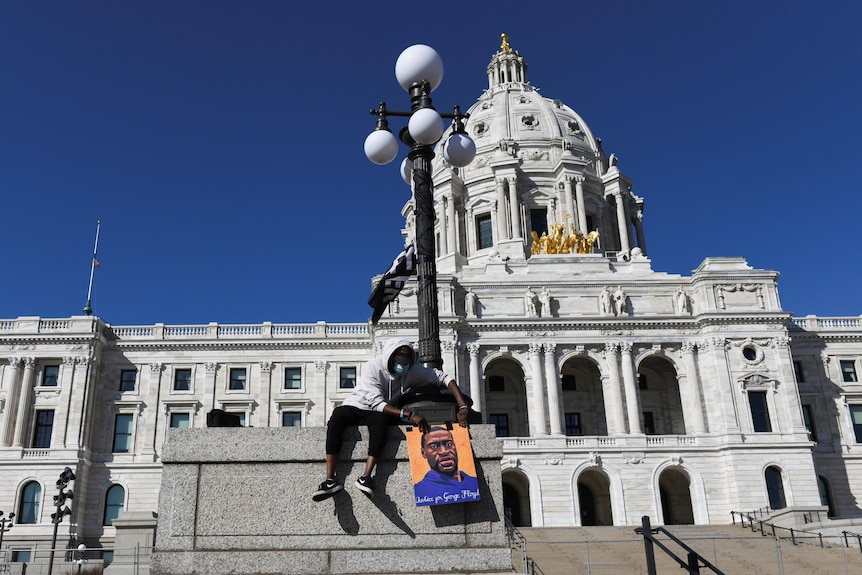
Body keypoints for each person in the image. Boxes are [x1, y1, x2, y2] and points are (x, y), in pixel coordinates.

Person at [312, 338, 470, 501]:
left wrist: (462, 406)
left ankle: (366, 477)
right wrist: (407, 414)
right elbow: (376, 403)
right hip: (357, 404)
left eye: (406, 364)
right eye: (400, 363)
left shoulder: (411, 370)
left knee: (381, 423)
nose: (403, 367)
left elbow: (444, 378)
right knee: (337, 418)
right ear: (390, 357)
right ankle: (330, 480)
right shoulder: (372, 367)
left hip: (379, 411)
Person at [413, 426, 480, 506]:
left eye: (448, 444)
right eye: (433, 447)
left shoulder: (473, 483)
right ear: (423, 453)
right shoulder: (421, 489)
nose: (444, 451)